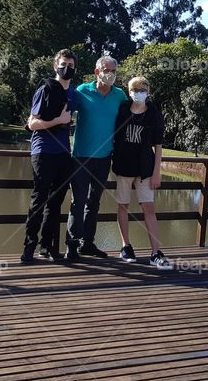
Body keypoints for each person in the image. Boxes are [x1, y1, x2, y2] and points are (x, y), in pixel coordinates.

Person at [65, 55, 128, 261]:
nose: (109, 74)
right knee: (78, 201)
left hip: (104, 158)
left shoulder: (119, 96)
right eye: (106, 70)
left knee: (94, 203)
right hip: (81, 156)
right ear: (97, 72)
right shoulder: (83, 91)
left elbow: (133, 118)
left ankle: (87, 244)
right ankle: (72, 246)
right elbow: (63, 111)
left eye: (113, 71)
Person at [21, 49, 77, 264]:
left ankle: (48, 247)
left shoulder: (72, 93)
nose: (67, 68)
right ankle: (28, 247)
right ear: (55, 66)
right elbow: (32, 124)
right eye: (63, 64)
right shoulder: (45, 89)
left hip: (64, 154)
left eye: (71, 65)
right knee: (39, 200)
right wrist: (58, 120)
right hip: (43, 151)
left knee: (55, 203)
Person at [112, 76, 172, 270]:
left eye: (143, 89)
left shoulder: (154, 113)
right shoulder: (122, 109)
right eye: (135, 89)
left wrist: (156, 173)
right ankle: (126, 246)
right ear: (129, 91)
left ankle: (156, 252)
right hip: (123, 166)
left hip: (145, 169)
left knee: (149, 208)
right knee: (123, 205)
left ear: (148, 91)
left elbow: (158, 146)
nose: (139, 92)